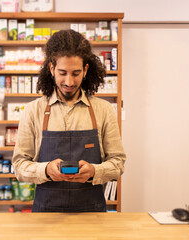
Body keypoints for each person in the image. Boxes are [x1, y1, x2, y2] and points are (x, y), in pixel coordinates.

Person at [12, 29, 126, 212]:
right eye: (62, 72)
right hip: (46, 216)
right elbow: (19, 166)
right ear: (51, 68)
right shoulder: (33, 111)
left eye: (76, 73)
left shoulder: (103, 110)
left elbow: (118, 163)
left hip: (92, 214)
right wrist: (46, 170)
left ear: (86, 70)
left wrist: (95, 172)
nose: (69, 81)